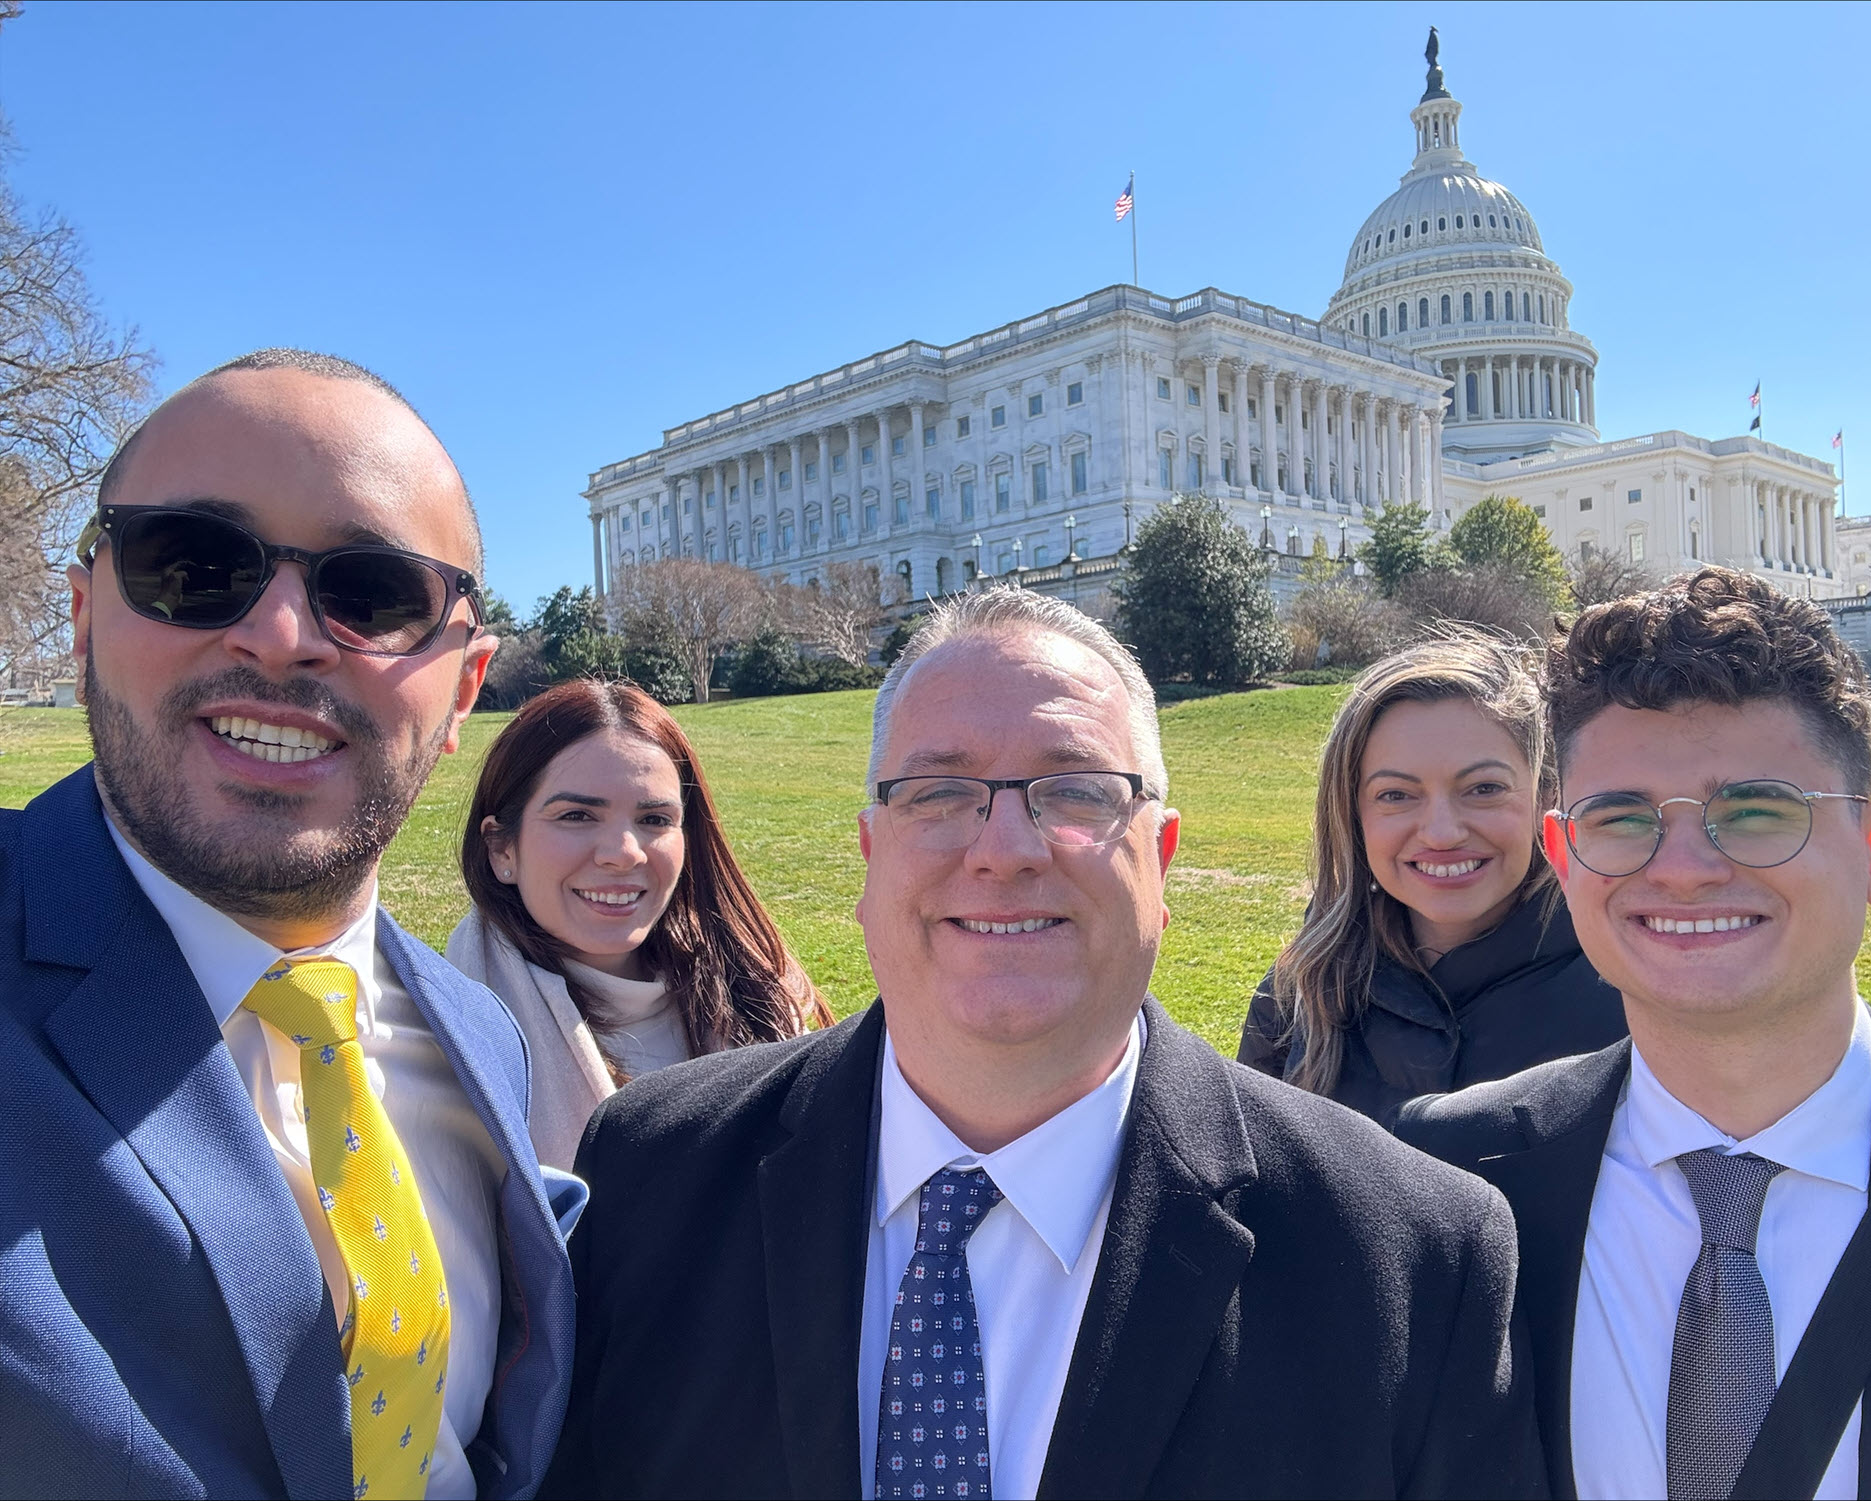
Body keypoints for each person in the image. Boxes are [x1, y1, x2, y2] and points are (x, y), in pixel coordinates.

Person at [544, 586, 1545, 1499]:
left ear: (1160, 856)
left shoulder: (1411, 1258)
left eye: (1076, 791)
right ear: (870, 851)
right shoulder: (652, 1173)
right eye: (938, 793)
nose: (1004, 849)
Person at [0, 350, 580, 1501]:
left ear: (464, 689)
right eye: (191, 565)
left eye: (373, 594)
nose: (279, 633)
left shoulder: (478, 1034)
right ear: (82, 615)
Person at [1399, 567, 1871, 1499]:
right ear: (1565, 858)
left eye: (1755, 811)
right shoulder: (1452, 1180)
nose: (1681, 868)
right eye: (1620, 817)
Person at [445, 677, 830, 1169]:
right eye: (577, 815)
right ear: (502, 849)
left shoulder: (762, 995)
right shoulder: (439, 1040)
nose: (624, 853)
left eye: (654, 820)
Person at [1238, 633, 1624, 1123]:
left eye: (1484, 788)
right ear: (1353, 814)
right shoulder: (1305, 983)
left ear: (1545, 795)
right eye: (1396, 795)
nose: (1442, 833)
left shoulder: (1626, 991)